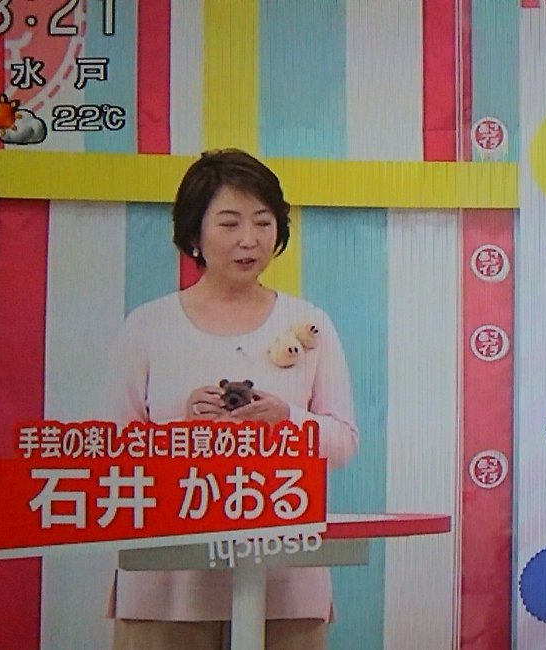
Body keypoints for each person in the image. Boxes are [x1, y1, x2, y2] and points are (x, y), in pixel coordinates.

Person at [106, 149, 360, 650]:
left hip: (285, 583)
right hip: (167, 587)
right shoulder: (147, 326)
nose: (250, 239)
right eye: (229, 223)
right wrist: (183, 427)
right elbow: (110, 449)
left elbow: (344, 441)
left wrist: (287, 419)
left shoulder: (310, 324)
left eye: (263, 222)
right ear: (194, 234)